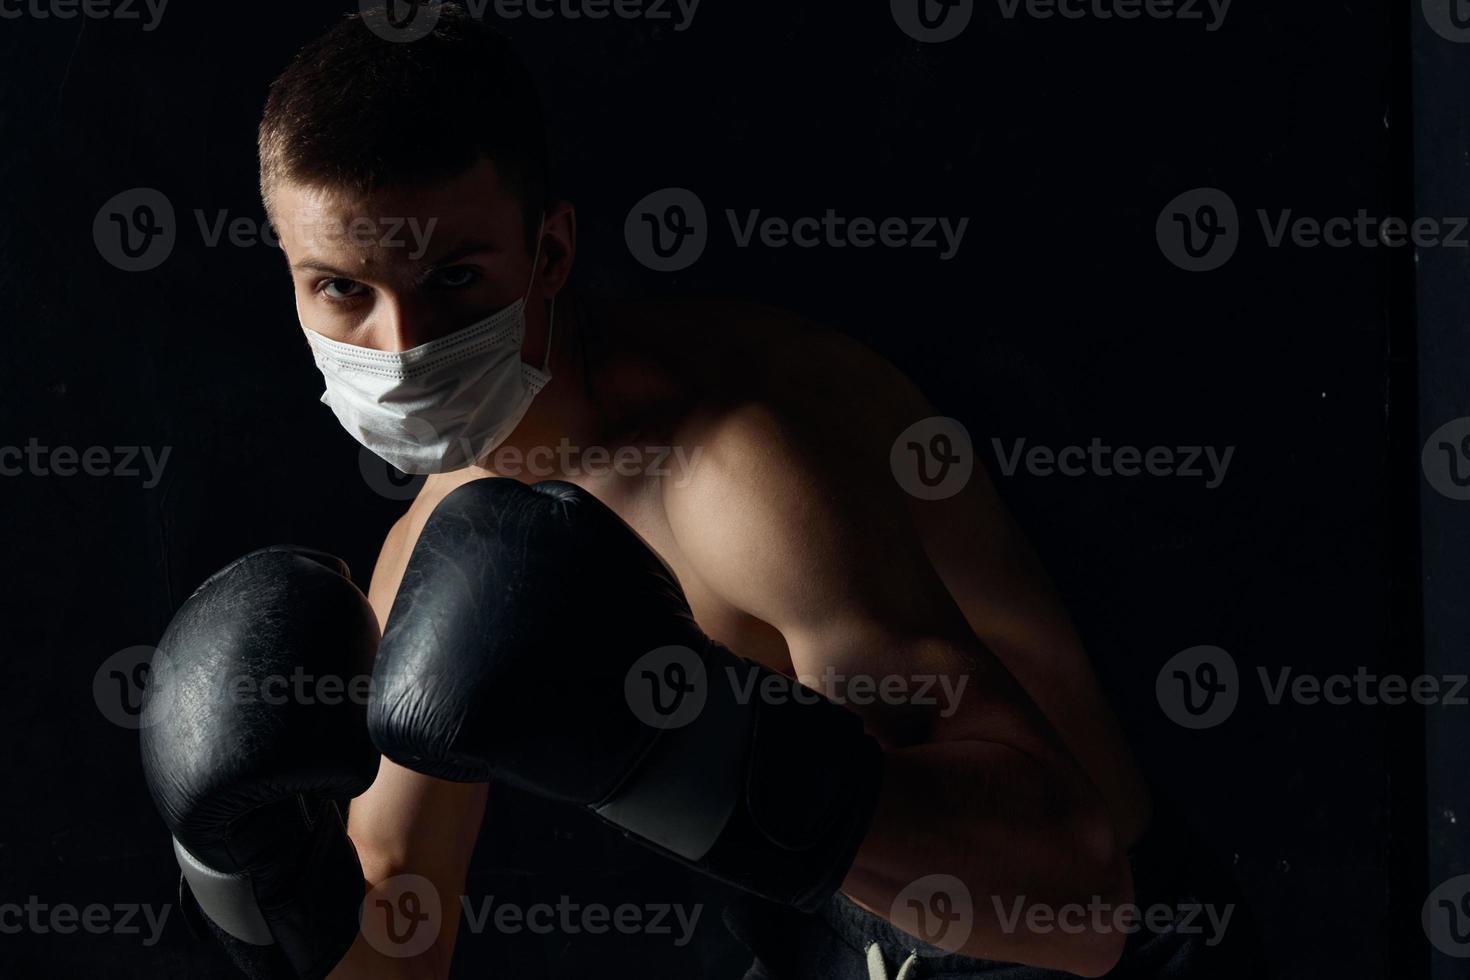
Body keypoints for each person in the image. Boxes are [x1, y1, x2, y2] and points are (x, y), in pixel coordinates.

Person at [140, 5, 1260, 978]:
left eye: (455, 279)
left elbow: (1081, 908)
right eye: (341, 289)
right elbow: (399, 948)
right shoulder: (433, 543)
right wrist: (250, 871)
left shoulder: (738, 465)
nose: (404, 343)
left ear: (551, 251)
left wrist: (682, 753)